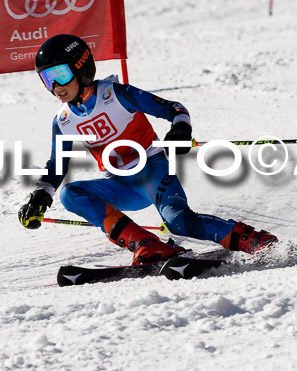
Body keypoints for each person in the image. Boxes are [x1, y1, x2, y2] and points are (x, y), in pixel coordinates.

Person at [18, 34, 278, 265]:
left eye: (61, 75)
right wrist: (40, 196)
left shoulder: (116, 94)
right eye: (47, 79)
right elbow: (57, 164)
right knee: (70, 194)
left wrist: (180, 129)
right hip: (120, 185)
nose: (56, 86)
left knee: (179, 222)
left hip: (152, 170)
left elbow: (173, 108)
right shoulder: (63, 121)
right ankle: (147, 244)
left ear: (81, 67)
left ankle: (255, 240)